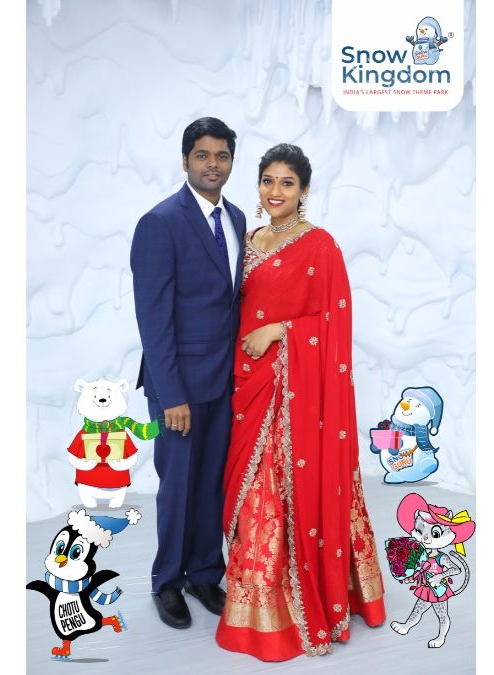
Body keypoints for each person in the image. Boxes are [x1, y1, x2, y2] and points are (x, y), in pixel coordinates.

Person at [215, 143, 386, 660]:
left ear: (304, 189)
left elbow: (334, 322)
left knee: (276, 492)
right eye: (268, 180)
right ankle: (255, 602)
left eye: (287, 183)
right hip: (247, 383)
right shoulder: (247, 241)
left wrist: (280, 330)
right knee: (249, 495)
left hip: (293, 394)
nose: (276, 191)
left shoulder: (320, 246)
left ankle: (291, 606)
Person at [129, 117, 247, 629]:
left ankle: (203, 573)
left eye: (221, 156)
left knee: (211, 484)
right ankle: (167, 582)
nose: (212, 164)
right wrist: (171, 394)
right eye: (202, 155)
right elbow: (153, 318)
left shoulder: (237, 218)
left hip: (222, 381)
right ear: (185, 161)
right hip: (177, 385)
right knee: (177, 486)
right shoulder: (160, 222)